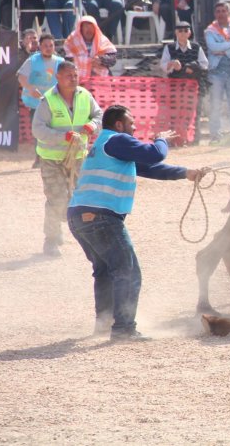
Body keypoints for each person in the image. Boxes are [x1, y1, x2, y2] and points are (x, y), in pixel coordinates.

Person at [68, 104, 206, 341]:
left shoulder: (106, 145)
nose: (135, 127)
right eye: (131, 123)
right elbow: (155, 154)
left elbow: (150, 168)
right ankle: (123, 329)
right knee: (127, 271)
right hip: (102, 217)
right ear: (119, 125)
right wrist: (161, 139)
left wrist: (186, 172)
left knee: (105, 272)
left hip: (79, 216)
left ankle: (105, 324)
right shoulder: (116, 139)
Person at [31, 61, 102, 257]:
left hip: (78, 157)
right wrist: (63, 137)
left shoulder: (85, 96)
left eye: (75, 75)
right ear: (58, 78)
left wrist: (92, 126)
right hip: (51, 159)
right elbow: (38, 129)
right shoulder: (48, 101)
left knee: (81, 197)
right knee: (56, 198)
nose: (74, 79)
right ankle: (51, 240)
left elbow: (98, 115)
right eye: (69, 76)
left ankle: (85, 235)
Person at [18, 33, 64, 168]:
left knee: (55, 129)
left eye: (51, 45)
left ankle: (54, 157)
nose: (48, 48)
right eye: (45, 46)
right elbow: (21, 77)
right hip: (36, 103)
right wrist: (30, 88)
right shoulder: (32, 61)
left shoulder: (60, 62)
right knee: (39, 131)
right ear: (40, 46)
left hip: (54, 102)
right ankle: (39, 157)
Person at [160, 20, 208, 142]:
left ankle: (194, 139)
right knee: (174, 114)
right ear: (176, 32)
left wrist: (193, 67)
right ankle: (175, 139)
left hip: (193, 87)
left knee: (194, 113)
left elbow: (205, 65)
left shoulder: (196, 47)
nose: (182, 33)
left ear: (189, 32)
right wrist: (171, 64)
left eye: (185, 30)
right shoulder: (169, 48)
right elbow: (163, 66)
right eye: (180, 30)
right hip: (175, 88)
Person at [205, 1, 230, 145]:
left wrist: (224, 52)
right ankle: (215, 136)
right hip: (216, 72)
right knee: (215, 104)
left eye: (223, 11)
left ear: (228, 12)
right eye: (218, 11)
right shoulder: (210, 30)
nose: (221, 13)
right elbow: (212, 46)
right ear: (215, 14)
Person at [63, 15, 117, 79]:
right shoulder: (72, 41)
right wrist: (86, 61)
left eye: (91, 27)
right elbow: (66, 61)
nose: (89, 30)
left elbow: (113, 60)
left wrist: (101, 60)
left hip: (100, 79)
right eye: (86, 26)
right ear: (81, 28)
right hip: (77, 78)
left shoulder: (102, 40)